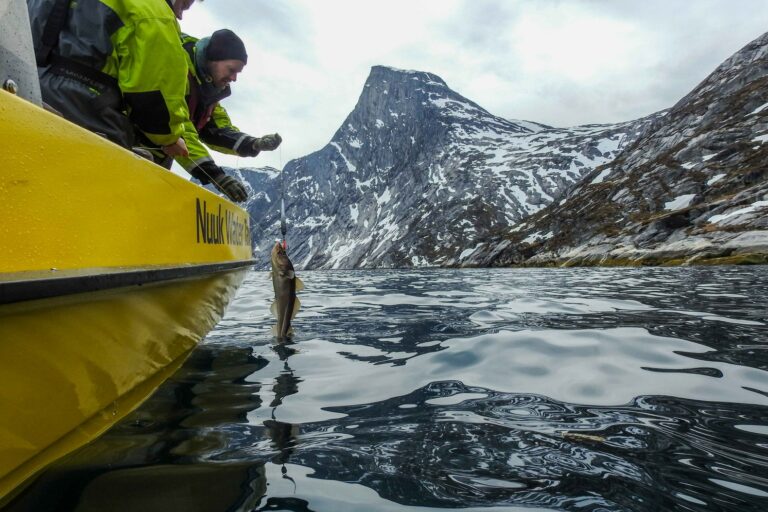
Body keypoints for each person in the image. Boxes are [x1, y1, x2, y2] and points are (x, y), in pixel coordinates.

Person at [27, 0, 196, 159]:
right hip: (86, 114)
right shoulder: (153, 13)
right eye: (184, 4)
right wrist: (169, 139)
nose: (179, 16)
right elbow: (153, 95)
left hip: (24, 88)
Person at [169, 29, 282, 202]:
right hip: (126, 143)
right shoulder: (176, 68)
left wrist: (253, 144)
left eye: (237, 73)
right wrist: (216, 175)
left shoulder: (209, 92)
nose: (234, 78)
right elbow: (176, 126)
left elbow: (218, 130)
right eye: (231, 70)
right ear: (213, 59)